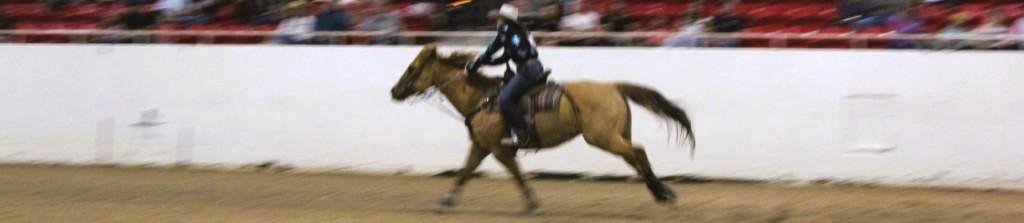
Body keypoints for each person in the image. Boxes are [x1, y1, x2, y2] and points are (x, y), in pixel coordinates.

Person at [466, 4, 544, 147]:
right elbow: (503, 58)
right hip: (533, 66)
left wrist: (474, 65)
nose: (496, 23)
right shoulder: (517, 32)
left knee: (505, 99)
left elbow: (491, 50)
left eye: (497, 20)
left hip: (527, 69)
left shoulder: (505, 31)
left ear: (503, 20)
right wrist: (482, 63)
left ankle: (522, 132)